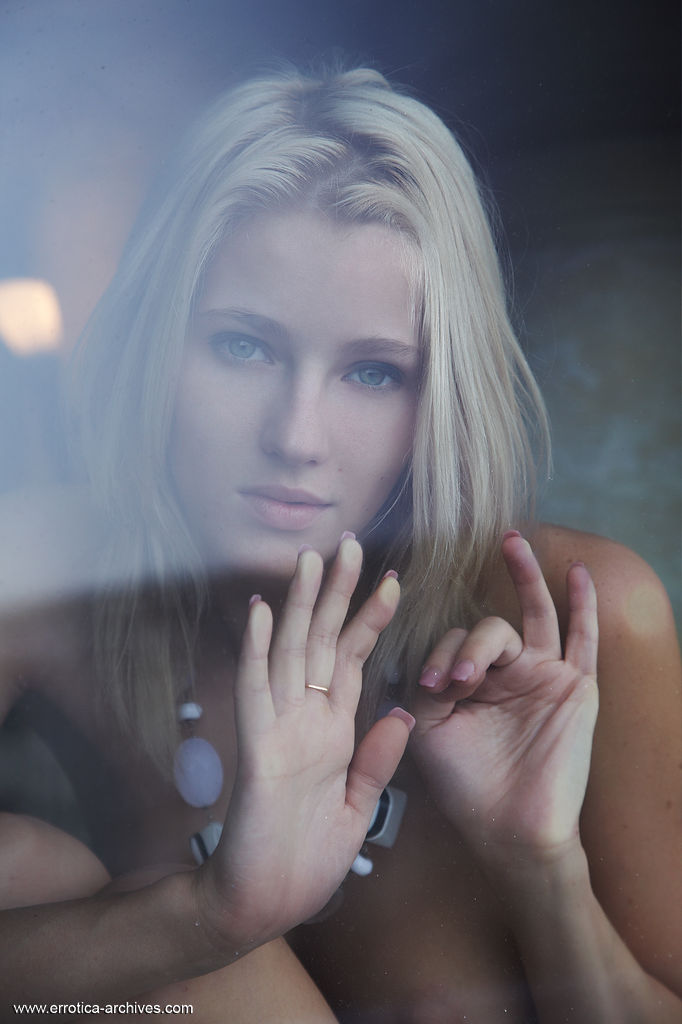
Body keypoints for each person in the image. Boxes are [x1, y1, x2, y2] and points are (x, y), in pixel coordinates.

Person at [0, 65, 679, 1023]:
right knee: (32, 866)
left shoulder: (584, 615)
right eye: (244, 346)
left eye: (371, 372)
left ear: (437, 399)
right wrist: (207, 918)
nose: (297, 436)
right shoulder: (51, 579)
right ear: (159, 341)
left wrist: (542, 866)